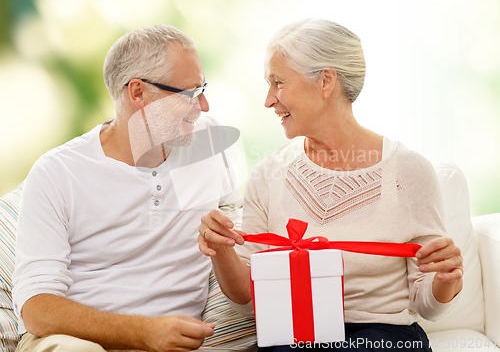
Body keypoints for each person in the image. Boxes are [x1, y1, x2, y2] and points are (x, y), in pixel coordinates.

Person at [199, 18, 463, 351]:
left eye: (278, 83)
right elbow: (247, 298)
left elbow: (428, 304)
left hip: (383, 337)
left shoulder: (408, 172)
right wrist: (221, 250)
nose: (268, 100)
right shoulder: (268, 174)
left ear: (325, 81)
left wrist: (446, 279)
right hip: (296, 336)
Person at [13, 25, 241, 352]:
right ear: (138, 93)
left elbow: (241, 246)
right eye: (190, 93)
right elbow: (36, 308)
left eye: (202, 88)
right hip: (75, 341)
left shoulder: (211, 143)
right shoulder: (58, 172)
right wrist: (143, 332)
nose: (203, 106)